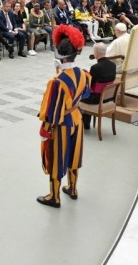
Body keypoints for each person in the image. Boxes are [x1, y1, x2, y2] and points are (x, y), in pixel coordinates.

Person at [37, 25, 90, 208]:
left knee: (56, 157)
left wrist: (45, 128)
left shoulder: (56, 81)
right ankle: (73, 188)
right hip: (77, 119)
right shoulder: (84, 74)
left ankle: (54, 196)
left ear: (59, 54)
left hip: (61, 124)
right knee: (74, 155)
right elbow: (86, 94)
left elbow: (51, 110)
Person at [82, 42, 117, 129]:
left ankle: (85, 124)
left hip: (97, 99)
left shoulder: (95, 67)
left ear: (96, 53)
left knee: (81, 96)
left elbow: (91, 85)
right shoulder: (113, 65)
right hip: (108, 97)